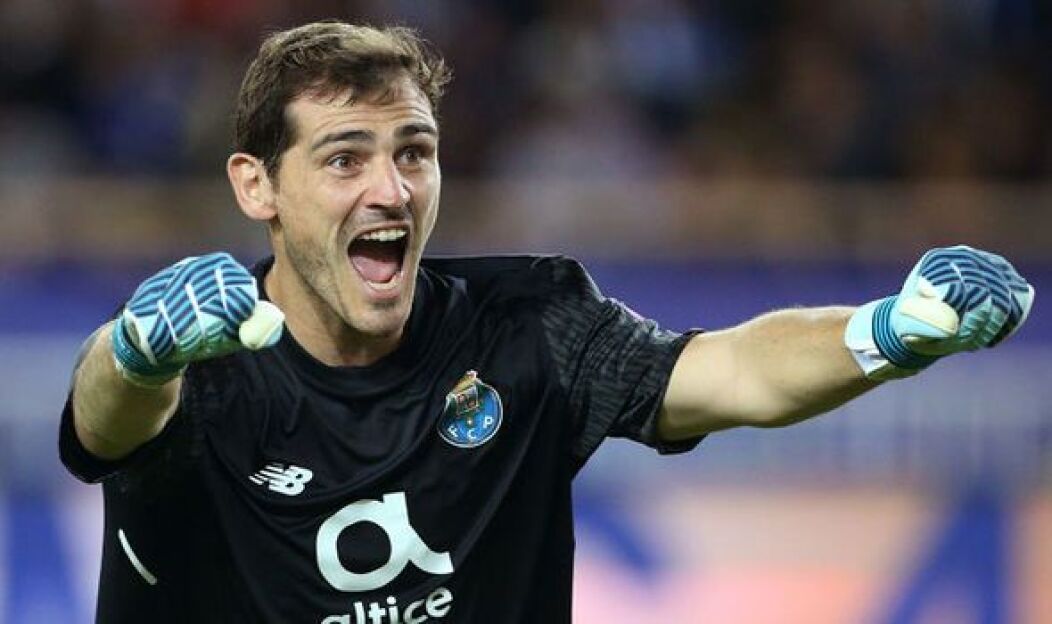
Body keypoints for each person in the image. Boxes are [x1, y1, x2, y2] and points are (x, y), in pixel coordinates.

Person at [59, 21, 1035, 624]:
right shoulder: (192, 358)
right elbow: (104, 421)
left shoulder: (527, 325)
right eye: (345, 158)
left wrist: (889, 331)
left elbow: (730, 371)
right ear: (256, 186)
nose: (391, 189)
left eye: (414, 152)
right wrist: (137, 350)